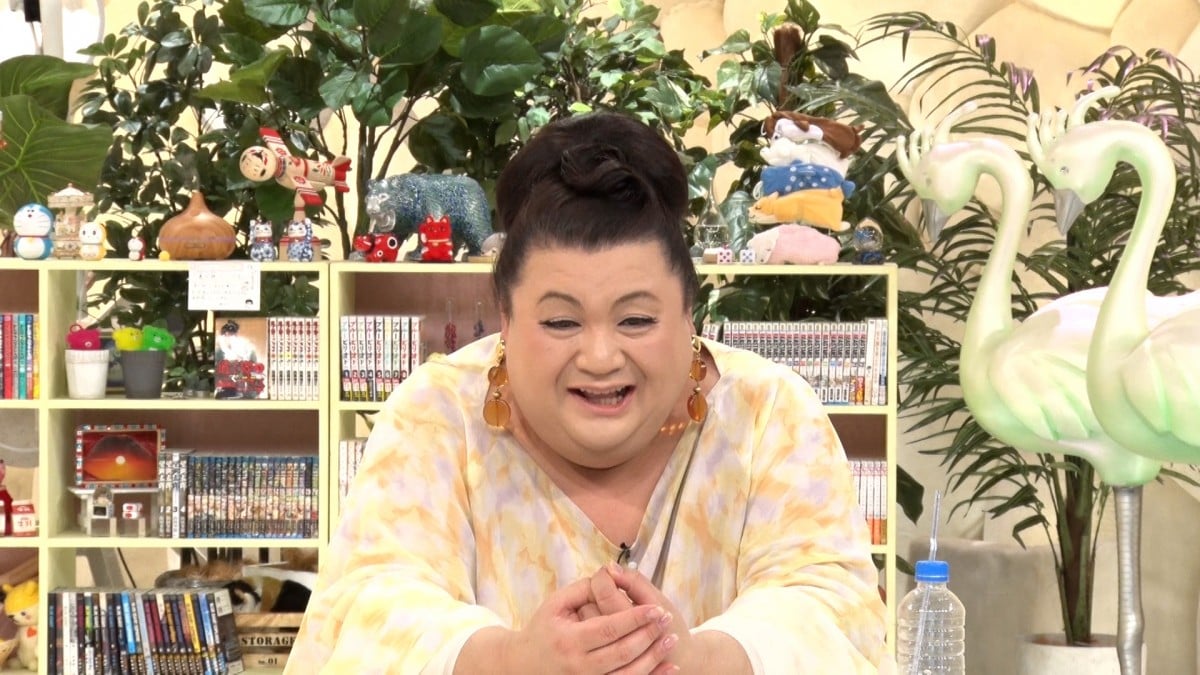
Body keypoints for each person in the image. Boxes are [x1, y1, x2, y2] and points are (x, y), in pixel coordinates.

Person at [286, 112, 890, 674]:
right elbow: (372, 606)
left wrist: (700, 660)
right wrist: (510, 661)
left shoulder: (768, 412)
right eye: (560, 322)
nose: (600, 358)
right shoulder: (437, 413)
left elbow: (830, 609)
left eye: (636, 320)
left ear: (689, 313)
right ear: (505, 317)